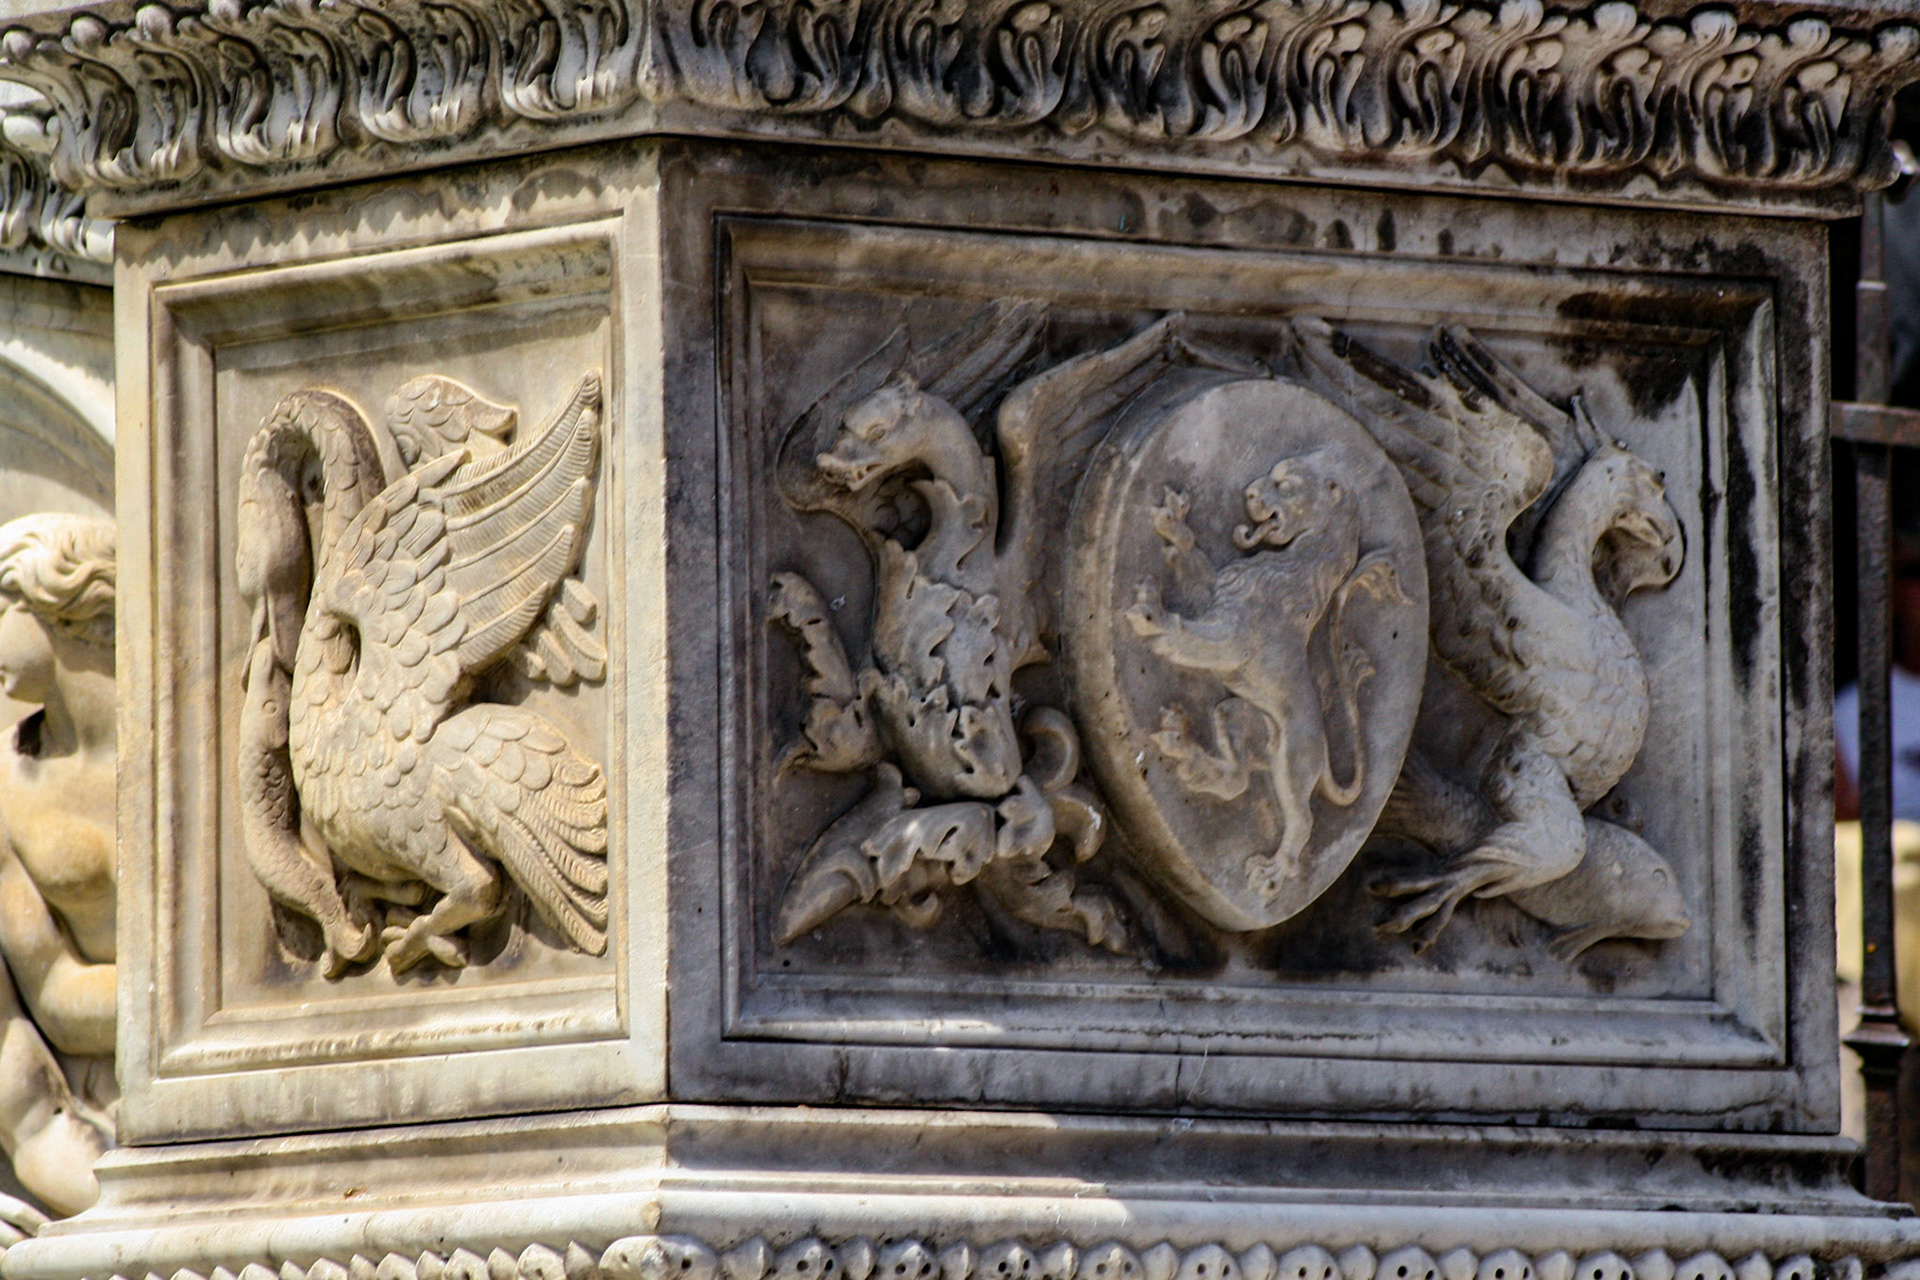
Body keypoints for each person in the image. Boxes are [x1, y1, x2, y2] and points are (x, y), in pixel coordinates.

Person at [0, 513, 116, 1216]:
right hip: (96, 1115)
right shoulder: (7, 785)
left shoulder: (205, 744)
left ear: (56, 607)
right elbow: (50, 994)